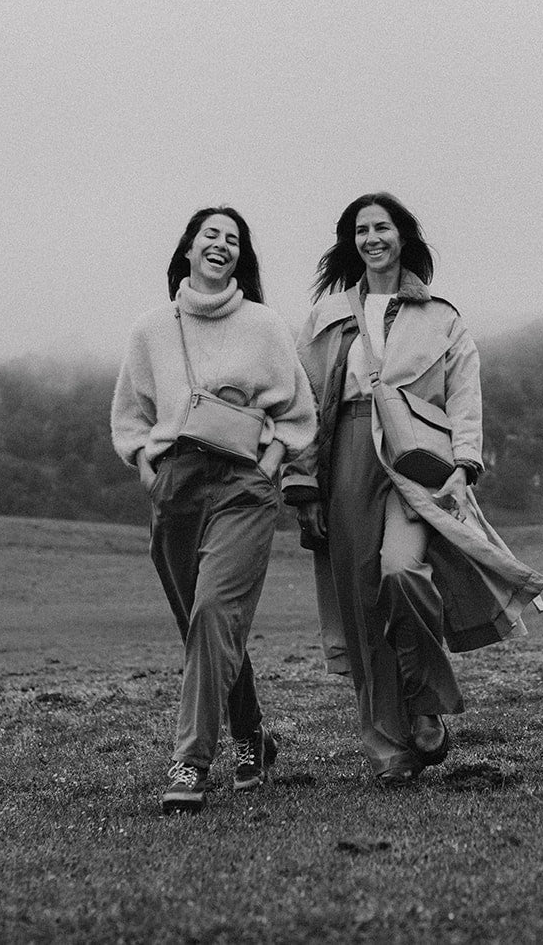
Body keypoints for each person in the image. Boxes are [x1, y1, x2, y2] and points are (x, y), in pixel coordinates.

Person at [283, 192, 543, 784]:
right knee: (360, 605)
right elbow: (302, 404)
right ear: (351, 242)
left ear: (403, 236)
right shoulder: (325, 318)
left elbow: (464, 393)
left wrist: (465, 462)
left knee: (402, 574)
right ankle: (388, 750)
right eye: (361, 230)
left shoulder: (442, 317)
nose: (372, 237)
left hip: (412, 464)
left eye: (382, 227)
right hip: (344, 457)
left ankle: (426, 703)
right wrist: (303, 487)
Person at [111, 206, 316, 814]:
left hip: (243, 485)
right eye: (211, 235)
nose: (221, 245)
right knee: (202, 625)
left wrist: (271, 462)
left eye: (233, 239)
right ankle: (253, 736)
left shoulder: (264, 325)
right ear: (189, 249)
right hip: (175, 484)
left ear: (241, 257)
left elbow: (299, 411)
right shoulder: (152, 329)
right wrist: (146, 469)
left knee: (212, 612)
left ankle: (190, 762)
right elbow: (131, 413)